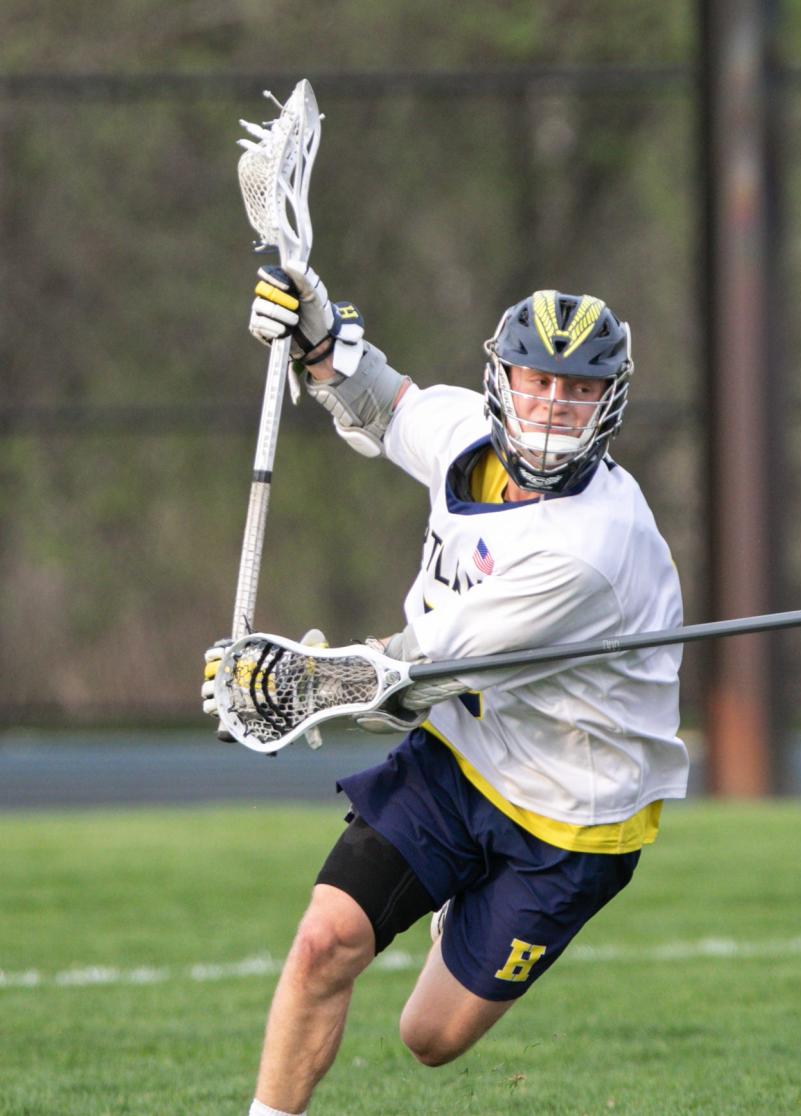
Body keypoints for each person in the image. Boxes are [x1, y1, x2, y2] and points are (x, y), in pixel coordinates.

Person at [206, 268, 686, 1116]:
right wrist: (318, 341)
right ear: (503, 377)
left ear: (609, 400)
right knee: (324, 943)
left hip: (572, 810)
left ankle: (460, 916)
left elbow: (414, 670)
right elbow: (386, 405)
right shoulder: (469, 434)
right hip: (461, 756)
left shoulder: (592, 549)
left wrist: (292, 683)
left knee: (428, 1040)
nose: (550, 406)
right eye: (537, 380)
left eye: (577, 389)